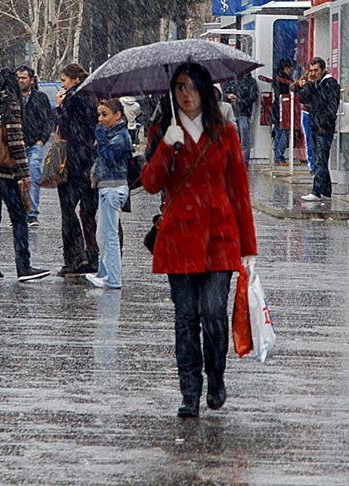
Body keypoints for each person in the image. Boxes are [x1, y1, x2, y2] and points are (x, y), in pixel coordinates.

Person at [141, 63, 257, 418]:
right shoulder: (165, 132)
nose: (186, 94)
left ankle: (216, 377)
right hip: (179, 239)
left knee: (213, 315)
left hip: (220, 237)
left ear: (205, 91)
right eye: (179, 87)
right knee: (186, 318)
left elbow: (239, 190)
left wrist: (249, 249)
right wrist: (165, 147)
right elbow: (149, 183)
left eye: (192, 87)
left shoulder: (225, 134)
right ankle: (189, 392)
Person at [0, 68, 50, 282]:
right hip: (6, 172)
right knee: (18, 218)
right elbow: (16, 140)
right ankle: (23, 266)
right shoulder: (11, 104)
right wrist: (24, 174)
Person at [55, 63, 99, 276]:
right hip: (88, 160)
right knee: (88, 212)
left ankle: (74, 258)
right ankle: (92, 255)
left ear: (75, 80)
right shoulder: (93, 98)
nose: (62, 84)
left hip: (71, 162)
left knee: (68, 211)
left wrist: (59, 107)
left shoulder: (72, 99)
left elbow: (63, 125)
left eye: (64, 80)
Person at [86, 98, 131, 290]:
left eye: (105, 115)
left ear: (117, 115)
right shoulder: (111, 133)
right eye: (99, 114)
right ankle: (104, 274)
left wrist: (101, 139)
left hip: (114, 187)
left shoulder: (120, 136)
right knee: (102, 234)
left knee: (110, 235)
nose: (100, 119)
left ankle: (113, 278)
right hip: (106, 186)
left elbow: (110, 158)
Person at [294, 57, 340, 201]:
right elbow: (304, 98)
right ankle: (326, 190)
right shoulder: (315, 84)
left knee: (321, 159)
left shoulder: (330, 84)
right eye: (311, 70)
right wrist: (306, 84)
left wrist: (323, 124)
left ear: (323, 69)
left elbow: (332, 108)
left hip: (324, 128)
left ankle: (317, 191)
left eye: (316, 70)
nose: (314, 73)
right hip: (314, 125)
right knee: (319, 158)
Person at [16, 65, 53, 227]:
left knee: (34, 176)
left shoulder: (40, 98)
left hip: (34, 144)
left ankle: (32, 213)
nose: (20, 81)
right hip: (16, 145)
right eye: (18, 78)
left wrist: (41, 140)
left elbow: (48, 120)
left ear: (31, 80)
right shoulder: (12, 98)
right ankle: (18, 212)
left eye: (23, 78)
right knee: (17, 180)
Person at [224, 73, 259, 165]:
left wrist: (239, 101)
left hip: (244, 114)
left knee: (244, 140)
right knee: (232, 139)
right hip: (231, 114)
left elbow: (253, 97)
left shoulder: (251, 81)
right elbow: (223, 94)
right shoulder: (231, 80)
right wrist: (228, 96)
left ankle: (243, 163)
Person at [271, 59, 295, 165]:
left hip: (277, 108)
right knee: (285, 131)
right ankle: (279, 156)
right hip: (283, 108)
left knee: (278, 132)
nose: (292, 70)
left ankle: (277, 156)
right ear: (286, 68)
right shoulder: (284, 79)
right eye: (290, 68)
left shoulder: (277, 77)